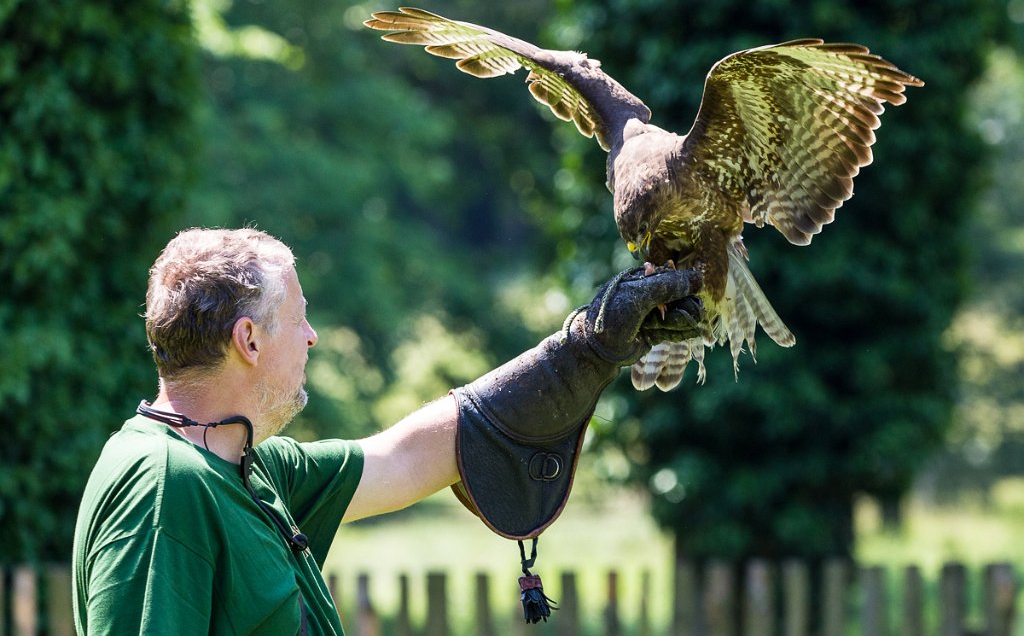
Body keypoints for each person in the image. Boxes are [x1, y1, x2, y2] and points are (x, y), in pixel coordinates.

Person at [72, 227, 701, 635]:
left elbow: (407, 457)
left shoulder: (245, 468)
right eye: (301, 318)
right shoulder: (166, 489)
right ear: (250, 339)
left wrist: (586, 351)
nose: (312, 337)